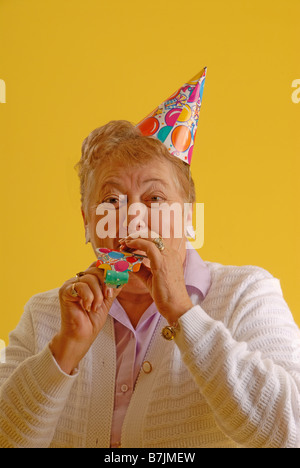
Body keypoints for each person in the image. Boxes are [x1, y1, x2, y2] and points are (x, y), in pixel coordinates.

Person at [0, 119, 300, 448]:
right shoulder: (44, 314)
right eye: (112, 201)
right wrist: (64, 351)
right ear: (88, 222)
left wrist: (182, 312)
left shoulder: (247, 294)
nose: (134, 218)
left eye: (155, 199)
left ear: (187, 216)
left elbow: (291, 433)